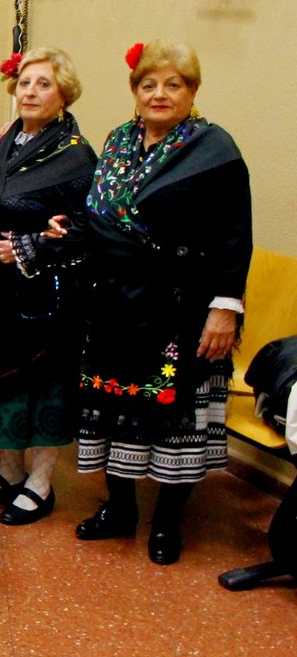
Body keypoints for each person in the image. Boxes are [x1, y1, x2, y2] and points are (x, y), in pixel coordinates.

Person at [73, 42, 252, 565]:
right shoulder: (119, 140)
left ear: (192, 92)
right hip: (112, 304)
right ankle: (121, 509)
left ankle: (167, 521)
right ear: (134, 91)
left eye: (173, 84)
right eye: (149, 84)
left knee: (176, 416)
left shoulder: (215, 149)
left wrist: (226, 307)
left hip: (181, 305)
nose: (159, 94)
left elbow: (234, 235)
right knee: (115, 408)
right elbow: (100, 216)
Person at [0, 48, 97, 524]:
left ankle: (41, 483)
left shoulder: (75, 155)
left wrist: (29, 245)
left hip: (45, 299)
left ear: (64, 94)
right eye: (26, 83)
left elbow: (85, 229)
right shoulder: (4, 143)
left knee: (41, 390)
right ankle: (9, 471)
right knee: (1, 386)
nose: (31, 92)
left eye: (44, 84)